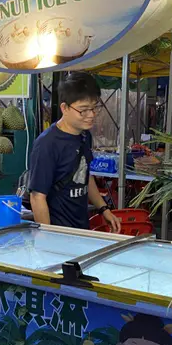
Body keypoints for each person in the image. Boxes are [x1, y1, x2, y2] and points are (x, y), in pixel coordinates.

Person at [29, 72, 121, 232]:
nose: (91, 115)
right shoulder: (47, 144)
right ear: (64, 108)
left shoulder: (85, 136)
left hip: (81, 229)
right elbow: (37, 197)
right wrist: (47, 237)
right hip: (59, 233)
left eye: (94, 108)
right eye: (83, 110)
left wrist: (103, 209)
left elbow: (85, 174)